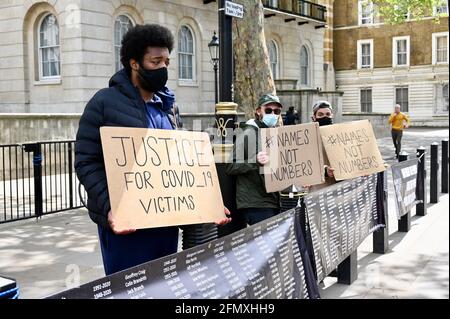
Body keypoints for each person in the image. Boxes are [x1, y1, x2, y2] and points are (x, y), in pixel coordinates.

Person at [75, 24, 230, 276]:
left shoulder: (169, 108)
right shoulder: (103, 102)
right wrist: (109, 208)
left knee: (165, 286)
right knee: (130, 289)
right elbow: (86, 161)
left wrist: (208, 202)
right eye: (156, 61)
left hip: (166, 224)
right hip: (127, 229)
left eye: (167, 61)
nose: (163, 68)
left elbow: (180, 163)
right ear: (134, 63)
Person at [226, 93, 283, 225]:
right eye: (268, 110)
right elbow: (231, 166)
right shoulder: (248, 133)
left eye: (277, 111)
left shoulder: (276, 134)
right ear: (258, 111)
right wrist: (254, 160)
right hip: (256, 203)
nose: (273, 114)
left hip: (274, 200)